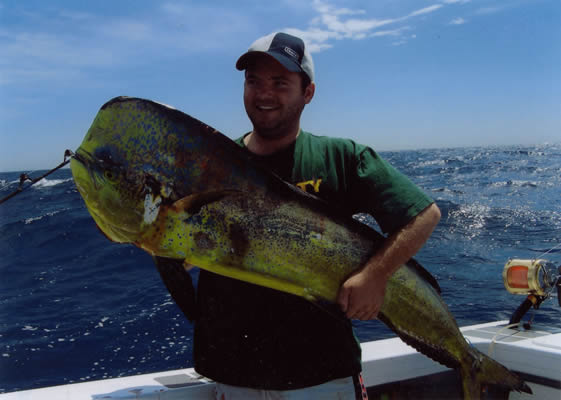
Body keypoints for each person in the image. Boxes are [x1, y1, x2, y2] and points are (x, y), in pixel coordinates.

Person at [192, 32, 441, 399]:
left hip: (323, 377)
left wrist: (375, 276)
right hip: (234, 375)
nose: (264, 94)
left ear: (307, 93)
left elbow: (424, 215)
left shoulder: (340, 158)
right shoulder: (213, 166)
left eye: (280, 83)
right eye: (254, 81)